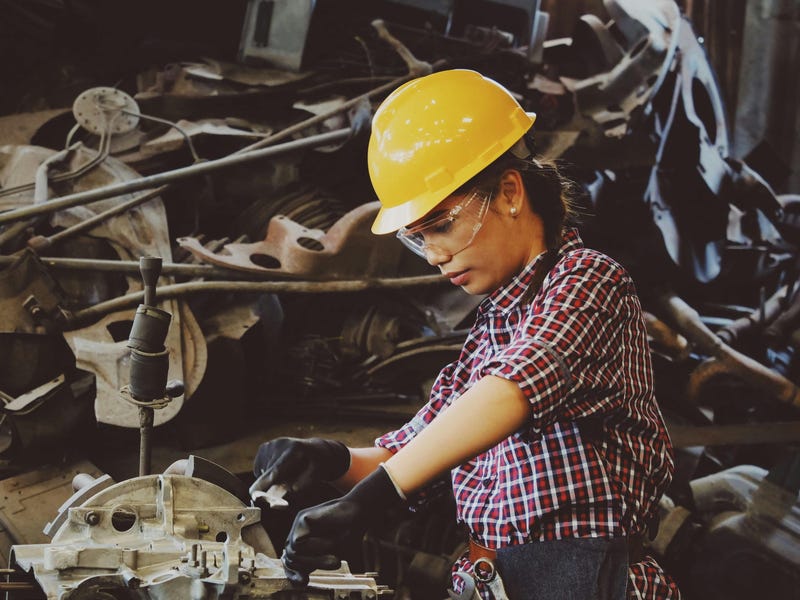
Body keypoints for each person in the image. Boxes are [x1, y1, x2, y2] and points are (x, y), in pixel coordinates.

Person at [251, 69, 682, 600]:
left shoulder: (589, 280)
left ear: (508, 192)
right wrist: (327, 458)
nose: (434, 256)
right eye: (418, 239)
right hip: (494, 584)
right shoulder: (491, 328)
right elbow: (415, 452)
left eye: (442, 226)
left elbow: (515, 387)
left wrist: (368, 501)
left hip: (586, 581)